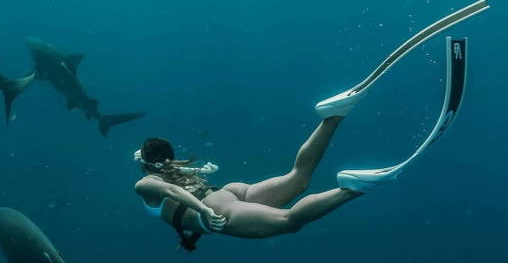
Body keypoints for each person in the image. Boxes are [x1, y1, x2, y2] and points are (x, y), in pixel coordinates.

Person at [134, 91, 372, 251]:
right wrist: (202, 172)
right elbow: (175, 183)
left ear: (144, 164)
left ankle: (351, 189)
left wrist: (204, 210)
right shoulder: (172, 170)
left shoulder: (145, 185)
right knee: (298, 178)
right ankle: (333, 117)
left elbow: (173, 192)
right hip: (230, 193)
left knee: (288, 221)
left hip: (217, 208)